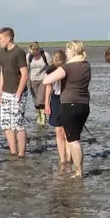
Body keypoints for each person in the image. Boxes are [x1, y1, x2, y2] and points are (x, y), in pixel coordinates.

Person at [41, 41, 91, 177]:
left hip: (70, 105)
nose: (66, 53)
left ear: (74, 51)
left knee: (73, 140)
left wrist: (57, 69)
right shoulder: (86, 65)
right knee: (76, 138)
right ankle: (78, 169)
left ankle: (78, 172)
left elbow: (46, 81)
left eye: (68, 50)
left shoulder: (68, 67)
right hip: (84, 105)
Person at [0, 27, 29, 157]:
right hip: (6, 92)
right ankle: (13, 152)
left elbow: (25, 74)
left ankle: (21, 154)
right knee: (6, 123)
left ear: (9, 38)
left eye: (1, 38)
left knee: (18, 123)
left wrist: (18, 94)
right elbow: (2, 74)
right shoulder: (2, 52)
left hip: (18, 92)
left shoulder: (18, 52)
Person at [44, 49, 68, 165]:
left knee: (67, 131)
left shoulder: (68, 69)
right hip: (55, 99)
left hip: (66, 99)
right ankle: (62, 158)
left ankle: (69, 157)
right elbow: (48, 87)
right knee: (58, 131)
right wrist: (46, 104)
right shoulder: (51, 71)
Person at [27, 43, 50, 126]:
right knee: (35, 100)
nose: (33, 53)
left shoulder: (45, 55)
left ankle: (43, 117)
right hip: (33, 80)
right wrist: (26, 81)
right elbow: (26, 69)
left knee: (41, 99)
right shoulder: (29, 56)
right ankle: (38, 115)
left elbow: (51, 66)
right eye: (31, 51)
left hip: (43, 80)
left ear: (38, 50)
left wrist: (50, 77)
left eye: (34, 51)